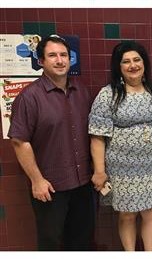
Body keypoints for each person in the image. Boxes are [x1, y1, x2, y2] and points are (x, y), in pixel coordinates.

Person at [89, 40, 152, 251]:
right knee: (127, 214)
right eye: (126, 61)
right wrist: (99, 171)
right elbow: (97, 137)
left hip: (151, 168)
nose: (133, 65)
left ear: (144, 63)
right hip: (121, 169)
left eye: (137, 60)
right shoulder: (107, 94)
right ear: (118, 67)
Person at [8, 35, 95, 250]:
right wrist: (37, 180)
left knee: (82, 242)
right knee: (50, 243)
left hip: (83, 184)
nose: (59, 60)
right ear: (41, 62)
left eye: (64, 55)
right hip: (50, 188)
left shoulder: (82, 91)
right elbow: (20, 142)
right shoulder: (29, 97)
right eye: (52, 55)